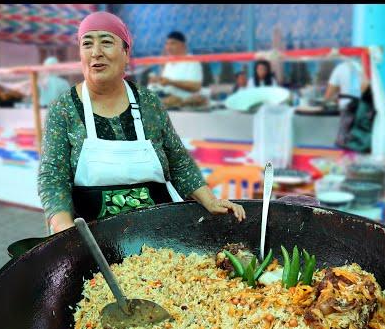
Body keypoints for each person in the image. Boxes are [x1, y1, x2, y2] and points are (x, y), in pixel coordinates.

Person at [38, 12, 245, 234]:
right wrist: (64, 229)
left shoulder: (148, 102)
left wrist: (210, 200)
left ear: (126, 53)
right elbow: (53, 177)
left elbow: (178, 162)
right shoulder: (64, 108)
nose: (96, 52)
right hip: (91, 239)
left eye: (106, 42)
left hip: (159, 234)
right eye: (87, 44)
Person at [148, 31, 204, 108]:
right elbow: (164, 83)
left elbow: (196, 87)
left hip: (185, 105)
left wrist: (171, 82)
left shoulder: (192, 62)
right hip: (166, 103)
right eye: (167, 44)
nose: (168, 47)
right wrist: (157, 81)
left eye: (172, 43)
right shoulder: (168, 62)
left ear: (183, 45)